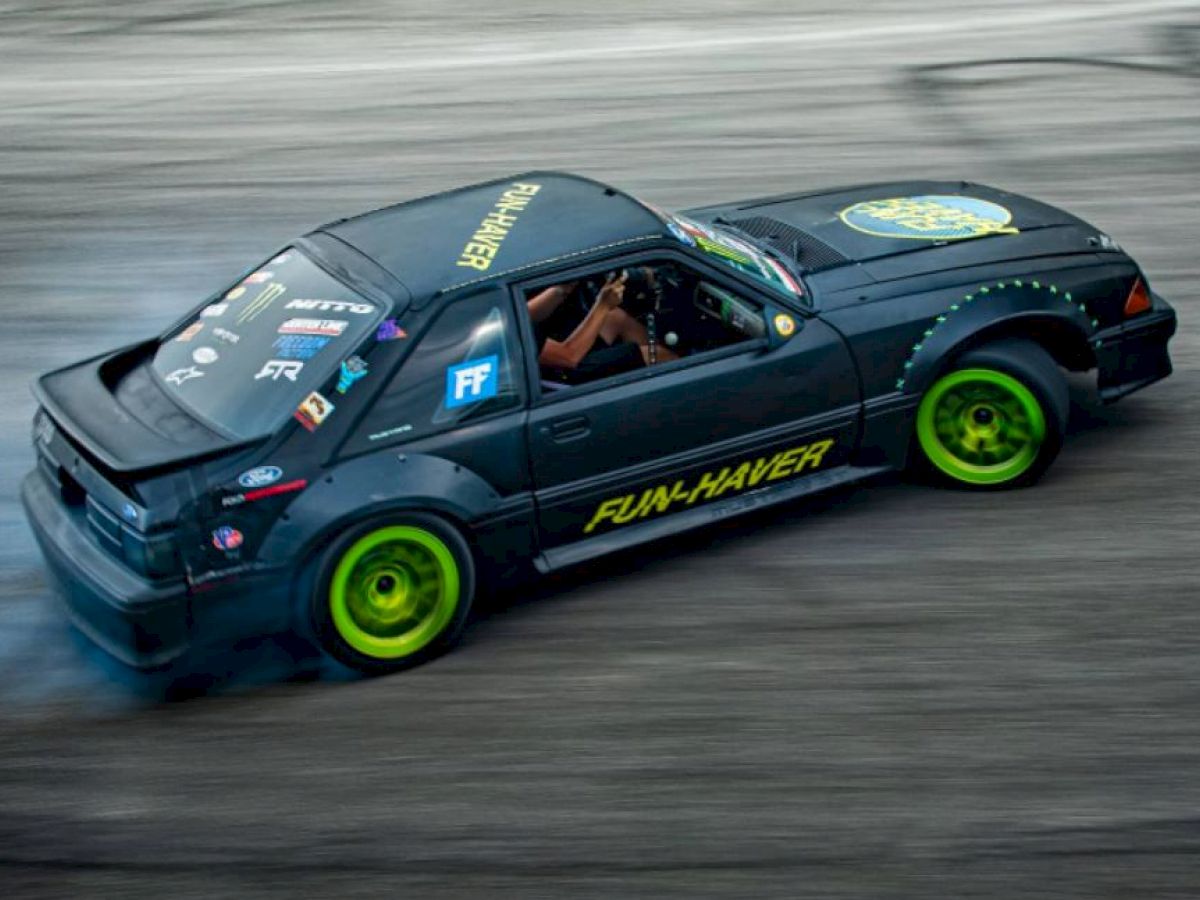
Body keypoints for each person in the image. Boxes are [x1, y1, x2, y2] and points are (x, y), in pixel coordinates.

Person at [527, 270, 677, 384]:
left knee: (614, 317)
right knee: (655, 354)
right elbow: (568, 357)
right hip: (561, 378)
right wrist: (603, 305)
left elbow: (524, 314)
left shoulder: (506, 313)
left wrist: (562, 288)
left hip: (551, 354)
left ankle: (655, 375)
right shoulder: (511, 339)